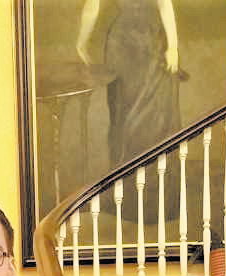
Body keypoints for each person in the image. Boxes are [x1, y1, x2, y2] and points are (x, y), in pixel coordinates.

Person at [77, 0, 181, 167]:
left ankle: (143, 175)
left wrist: (173, 46)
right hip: (130, 45)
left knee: (145, 114)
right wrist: (81, 43)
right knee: (124, 113)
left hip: (146, 43)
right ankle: (129, 176)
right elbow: (92, 5)